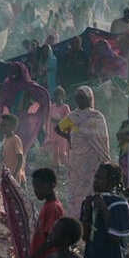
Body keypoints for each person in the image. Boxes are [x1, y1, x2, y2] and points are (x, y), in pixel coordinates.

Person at [55, 86, 110, 220]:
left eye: (82, 97)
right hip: (77, 160)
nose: (79, 100)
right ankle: (76, 216)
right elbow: (58, 128)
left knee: (92, 186)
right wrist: (69, 138)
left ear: (89, 99)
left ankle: (92, 217)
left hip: (93, 159)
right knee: (76, 189)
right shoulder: (73, 116)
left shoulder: (97, 117)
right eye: (77, 97)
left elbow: (102, 138)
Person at [0, 114, 25, 185]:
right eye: (1, 125)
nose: (1, 127)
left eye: (4, 125)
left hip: (14, 175)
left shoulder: (16, 139)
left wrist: (15, 174)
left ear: (13, 127)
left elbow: (20, 159)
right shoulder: (4, 139)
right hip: (6, 174)